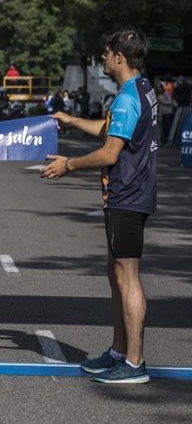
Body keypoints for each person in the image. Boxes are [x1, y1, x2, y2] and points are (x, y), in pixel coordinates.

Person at [41, 29, 158, 383]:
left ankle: (134, 364)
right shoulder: (140, 89)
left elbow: (110, 152)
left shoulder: (126, 99)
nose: (102, 59)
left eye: (106, 53)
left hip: (127, 194)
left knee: (128, 276)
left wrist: (68, 165)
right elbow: (111, 131)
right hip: (127, 193)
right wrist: (72, 120)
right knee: (116, 274)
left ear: (120, 57)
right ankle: (119, 352)